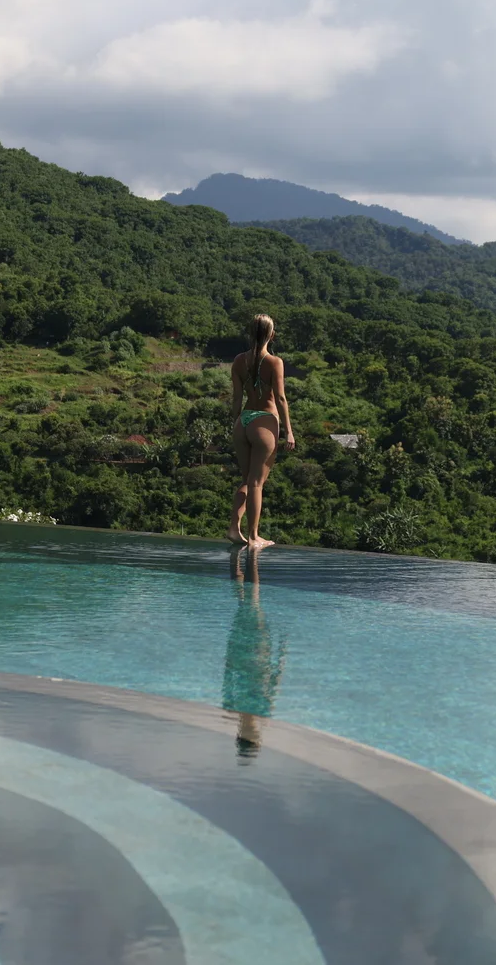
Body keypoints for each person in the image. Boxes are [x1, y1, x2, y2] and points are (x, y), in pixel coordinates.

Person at [228, 313, 292, 548]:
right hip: (265, 422)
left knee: (247, 480)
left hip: (243, 422)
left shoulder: (238, 361)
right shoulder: (275, 362)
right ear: (271, 335)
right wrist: (289, 432)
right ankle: (254, 536)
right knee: (256, 483)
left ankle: (234, 528)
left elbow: (236, 398)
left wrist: (236, 424)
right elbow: (281, 399)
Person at [222, 544, 285, 756]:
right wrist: (282, 651)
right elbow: (229, 671)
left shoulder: (239, 706)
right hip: (251, 648)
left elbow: (229, 672)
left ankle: (251, 555)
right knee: (245, 602)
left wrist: (282, 651)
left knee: (251, 601)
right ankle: (242, 556)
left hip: (254, 648)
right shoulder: (234, 706)